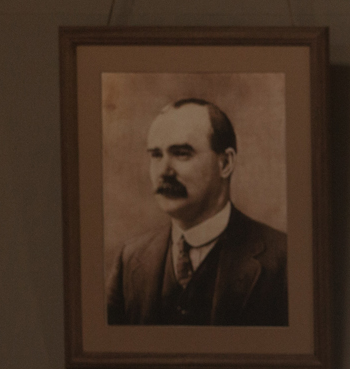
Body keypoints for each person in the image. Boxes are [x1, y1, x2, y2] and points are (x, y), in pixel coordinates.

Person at [106, 98, 288, 326]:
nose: (164, 171)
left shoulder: (282, 260)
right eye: (156, 155)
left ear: (225, 164)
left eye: (181, 153)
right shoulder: (130, 259)